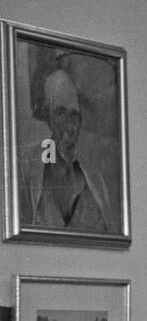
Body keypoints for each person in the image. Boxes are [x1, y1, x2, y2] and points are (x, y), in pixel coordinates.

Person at [17, 68, 117, 232]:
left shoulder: (93, 176)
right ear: (49, 117)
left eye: (74, 115)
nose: (69, 125)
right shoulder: (30, 168)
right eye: (60, 113)